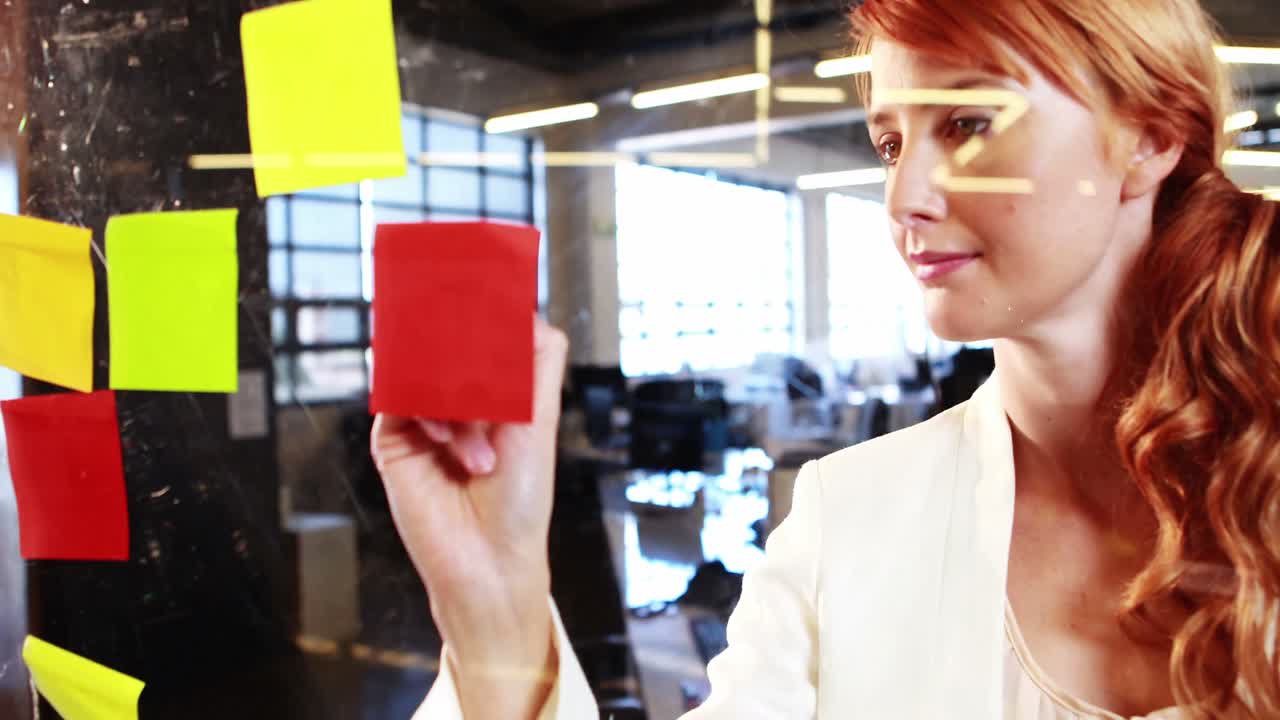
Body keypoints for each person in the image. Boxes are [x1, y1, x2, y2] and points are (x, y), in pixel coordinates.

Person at [370, 0, 1280, 717]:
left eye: (965, 122)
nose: (904, 196)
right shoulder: (847, 520)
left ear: (1151, 136)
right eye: (889, 142)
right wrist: (496, 608)